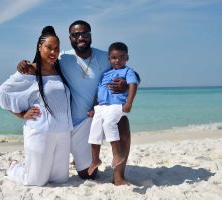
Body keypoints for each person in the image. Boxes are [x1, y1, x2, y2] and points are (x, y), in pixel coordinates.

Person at [17, 20, 132, 185]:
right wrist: (24, 65)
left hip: (98, 114)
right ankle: (80, 158)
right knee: (88, 176)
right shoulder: (63, 58)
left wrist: (125, 85)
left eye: (84, 33)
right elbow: (42, 63)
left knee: (122, 122)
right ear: (70, 38)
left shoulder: (105, 58)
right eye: (75, 34)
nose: (80, 37)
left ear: (90, 35)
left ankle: (119, 176)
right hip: (74, 125)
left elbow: (128, 75)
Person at [0, 26, 73, 186]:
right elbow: (1, 94)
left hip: (63, 132)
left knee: (60, 179)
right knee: (35, 181)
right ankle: (13, 167)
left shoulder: (60, 69)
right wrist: (21, 115)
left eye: (56, 48)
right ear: (39, 47)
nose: (53, 52)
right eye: (49, 47)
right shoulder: (30, 71)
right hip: (39, 132)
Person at [87, 42, 139, 176]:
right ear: (109, 59)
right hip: (101, 106)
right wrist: (93, 107)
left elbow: (133, 84)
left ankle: (117, 154)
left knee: (109, 124)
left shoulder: (128, 71)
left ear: (127, 58)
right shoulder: (105, 74)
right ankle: (95, 159)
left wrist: (129, 103)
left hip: (116, 105)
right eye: (114, 58)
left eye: (122, 57)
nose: (118, 61)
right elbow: (98, 91)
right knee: (95, 130)